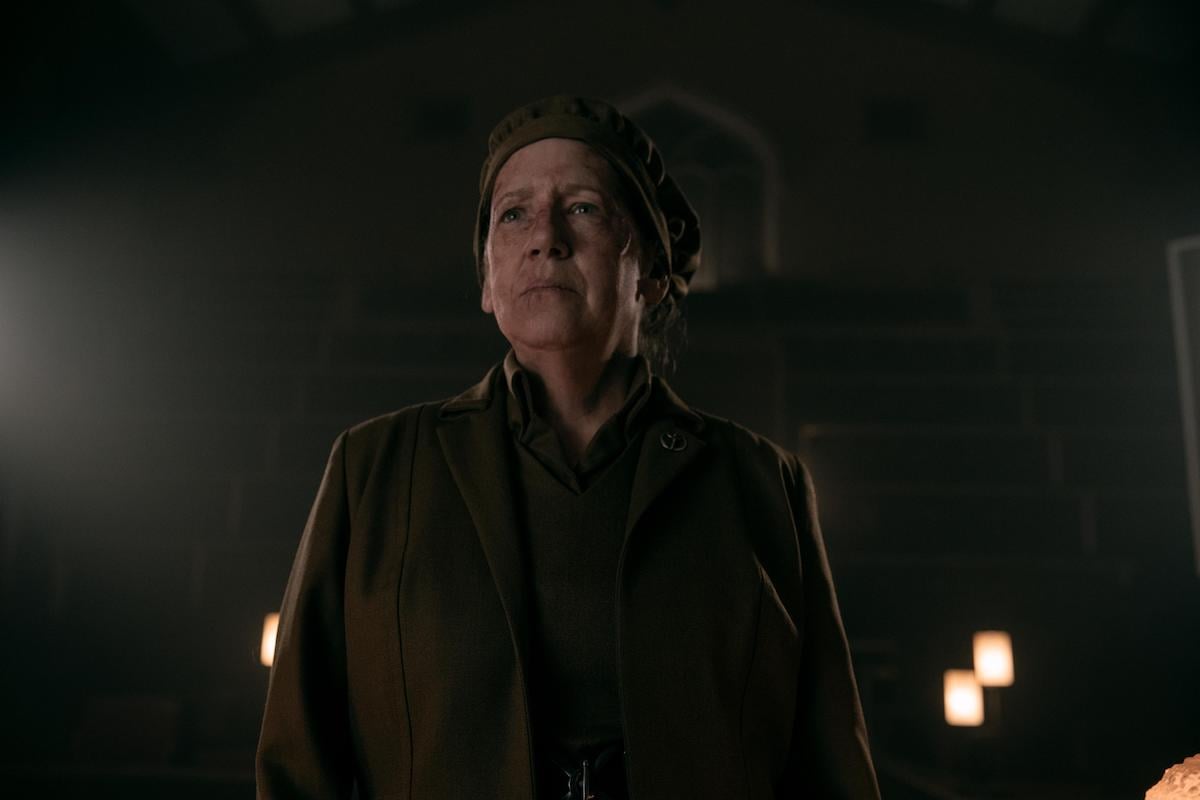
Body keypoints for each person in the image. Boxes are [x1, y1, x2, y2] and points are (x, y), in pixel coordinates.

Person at [256, 95, 880, 800]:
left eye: (583, 208)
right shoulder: (372, 469)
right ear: (488, 281)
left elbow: (831, 769)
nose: (544, 238)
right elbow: (296, 767)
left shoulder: (761, 482)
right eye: (513, 214)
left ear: (650, 269)